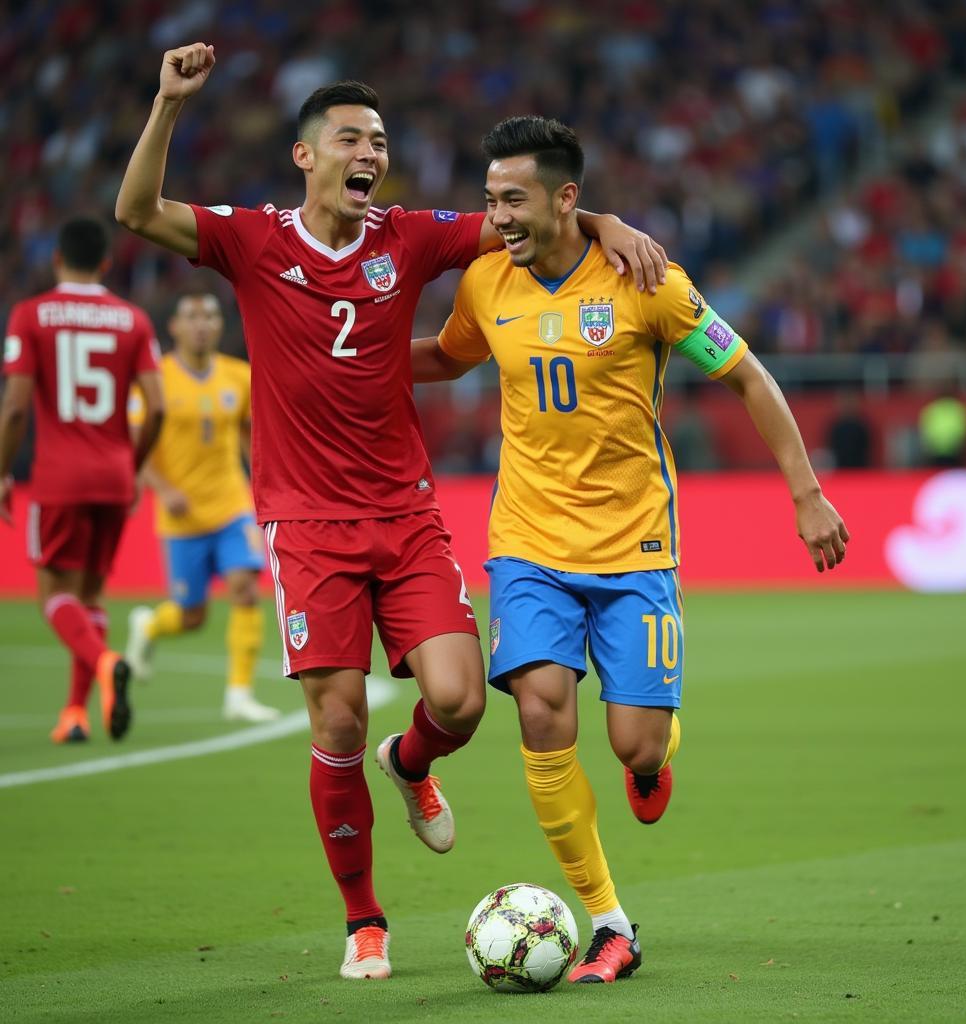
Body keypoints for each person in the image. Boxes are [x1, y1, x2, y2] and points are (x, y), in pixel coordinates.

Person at [114, 42, 666, 981]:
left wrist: (603, 215)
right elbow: (134, 212)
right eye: (349, 138)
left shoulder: (409, 238)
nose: (370, 151)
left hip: (405, 517)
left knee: (457, 699)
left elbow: (532, 224)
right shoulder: (252, 240)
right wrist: (167, 104)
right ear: (306, 156)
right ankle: (363, 919)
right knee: (332, 723)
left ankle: (408, 763)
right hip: (305, 523)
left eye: (378, 139)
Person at [412, 116, 850, 984]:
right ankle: (611, 923)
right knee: (540, 710)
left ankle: (656, 760)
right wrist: (336, 359)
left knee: (635, 748)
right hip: (527, 542)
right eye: (489, 197)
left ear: (566, 198)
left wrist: (807, 494)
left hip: (635, 546)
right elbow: (448, 358)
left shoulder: (647, 280)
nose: (495, 215)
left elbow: (747, 375)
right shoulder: (485, 283)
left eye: (513, 198)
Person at [0, 216, 164, 743]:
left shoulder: (31, 315)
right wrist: (133, 467)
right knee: (91, 599)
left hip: (59, 479)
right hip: (115, 476)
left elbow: (14, 412)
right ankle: (74, 713)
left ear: (56, 259)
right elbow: (157, 408)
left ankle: (102, 661)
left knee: (52, 592)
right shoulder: (133, 320)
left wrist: (3, 470)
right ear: (106, 263)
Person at [125, 290, 279, 723]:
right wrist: (161, 488)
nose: (202, 324)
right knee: (192, 615)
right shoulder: (155, 378)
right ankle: (149, 627)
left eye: (210, 316)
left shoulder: (238, 375)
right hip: (181, 514)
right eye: (191, 316)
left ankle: (239, 694)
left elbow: (255, 437)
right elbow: (136, 443)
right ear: (174, 327)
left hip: (232, 504)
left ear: (218, 326)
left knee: (246, 588)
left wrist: (269, 483)